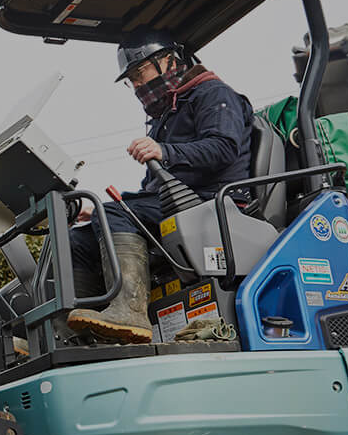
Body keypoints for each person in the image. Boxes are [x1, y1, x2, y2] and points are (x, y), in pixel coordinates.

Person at [65, 30, 255, 343]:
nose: (137, 86)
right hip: (176, 204)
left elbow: (224, 148)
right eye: (132, 80)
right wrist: (97, 216)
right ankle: (86, 333)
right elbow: (152, 187)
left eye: (139, 74)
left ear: (168, 61)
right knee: (78, 239)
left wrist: (165, 151)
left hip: (212, 204)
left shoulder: (212, 94)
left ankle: (130, 310)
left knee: (113, 214)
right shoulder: (167, 116)